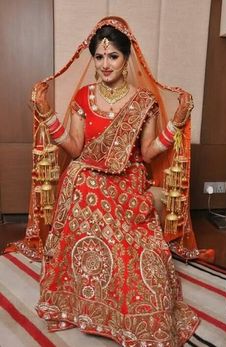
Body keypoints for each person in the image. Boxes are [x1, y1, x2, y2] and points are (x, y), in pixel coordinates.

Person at [31, 16, 200, 346]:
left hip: (127, 181)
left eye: (113, 56)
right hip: (88, 179)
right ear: (92, 59)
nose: (105, 64)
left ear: (126, 61)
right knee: (83, 191)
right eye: (99, 56)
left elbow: (149, 153)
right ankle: (83, 304)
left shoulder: (143, 102)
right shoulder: (84, 97)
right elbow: (76, 149)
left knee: (138, 255)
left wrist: (176, 123)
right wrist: (47, 113)